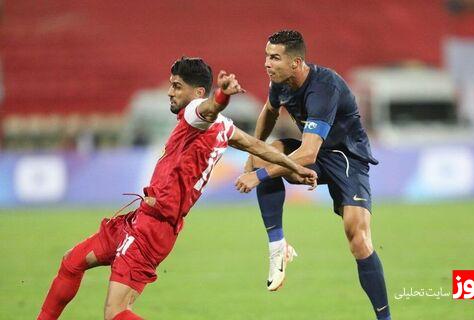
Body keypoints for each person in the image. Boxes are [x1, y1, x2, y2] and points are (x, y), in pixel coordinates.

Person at [37, 56, 317, 320]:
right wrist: (296, 167)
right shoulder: (223, 128)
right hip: (143, 221)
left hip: (152, 229)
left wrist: (221, 97)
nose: (170, 92)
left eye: (176, 86)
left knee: (115, 312)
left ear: (197, 92)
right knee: (71, 262)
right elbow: (257, 146)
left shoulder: (196, 113)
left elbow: (209, 108)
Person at [235, 30, 391, 320]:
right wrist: (252, 152)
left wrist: (261, 176)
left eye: (275, 57)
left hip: (347, 159)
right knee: (262, 154)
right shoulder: (279, 83)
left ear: (296, 63)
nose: (267, 63)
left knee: (357, 237)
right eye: (266, 56)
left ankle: (385, 318)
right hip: (314, 155)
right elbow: (269, 112)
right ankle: (278, 247)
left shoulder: (324, 87)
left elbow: (306, 154)